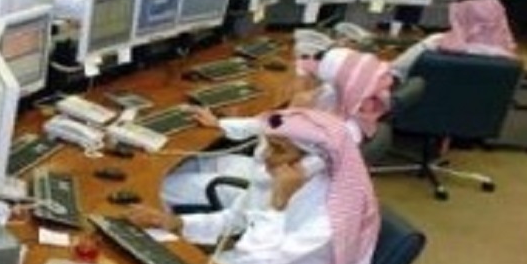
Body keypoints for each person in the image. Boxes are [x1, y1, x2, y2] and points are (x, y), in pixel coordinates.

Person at [130, 108, 381, 264]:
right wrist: (177, 223)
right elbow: (234, 219)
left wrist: (278, 204)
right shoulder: (283, 177)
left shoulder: (330, 215)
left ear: (314, 161)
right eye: (268, 145)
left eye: (278, 149)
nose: (265, 157)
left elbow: (257, 261)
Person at [161, 47, 391, 207]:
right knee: (194, 163)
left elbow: (289, 178)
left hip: (266, 194)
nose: (314, 82)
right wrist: (220, 123)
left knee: (164, 187)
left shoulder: (344, 136)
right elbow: (271, 124)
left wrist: (293, 109)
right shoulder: (336, 97)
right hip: (260, 170)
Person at [390, 0, 518, 79]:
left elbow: (394, 72)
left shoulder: (435, 44)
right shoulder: (508, 56)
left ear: (457, 14)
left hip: (424, 108)